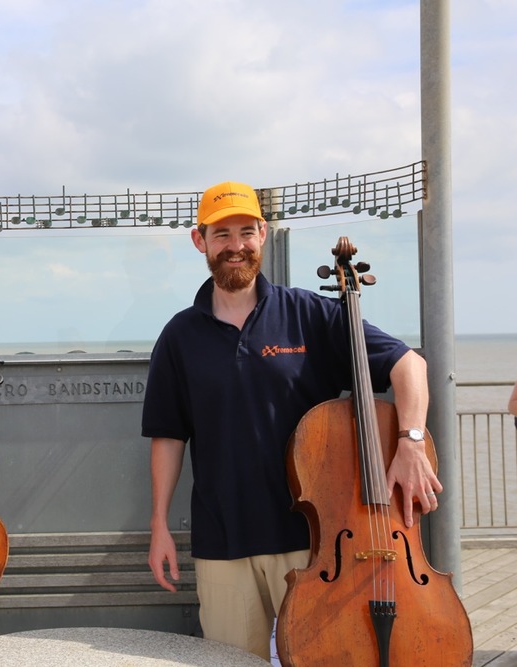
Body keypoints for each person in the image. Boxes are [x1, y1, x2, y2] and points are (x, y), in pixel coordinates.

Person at [142, 181, 442, 660]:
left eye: (245, 231)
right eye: (222, 235)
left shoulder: (309, 314)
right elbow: (169, 435)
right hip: (223, 540)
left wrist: (409, 442)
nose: (235, 246)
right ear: (200, 241)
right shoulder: (179, 335)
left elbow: (410, 366)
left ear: (263, 233)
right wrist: (159, 523)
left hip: (314, 543)